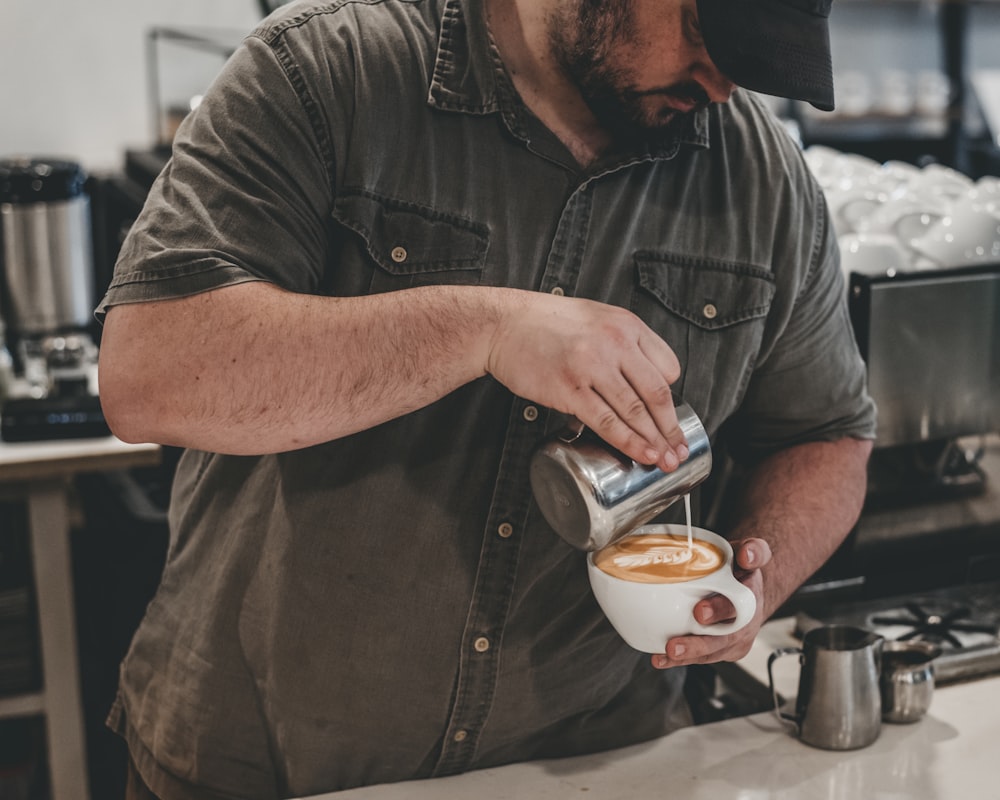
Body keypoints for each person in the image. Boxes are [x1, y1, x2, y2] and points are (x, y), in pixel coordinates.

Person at [96, 0, 876, 797]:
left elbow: (830, 433)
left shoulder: (763, 184)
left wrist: (753, 589)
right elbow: (150, 375)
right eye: (707, 36)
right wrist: (484, 331)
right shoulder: (330, 69)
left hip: (588, 769)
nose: (723, 83)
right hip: (272, 766)